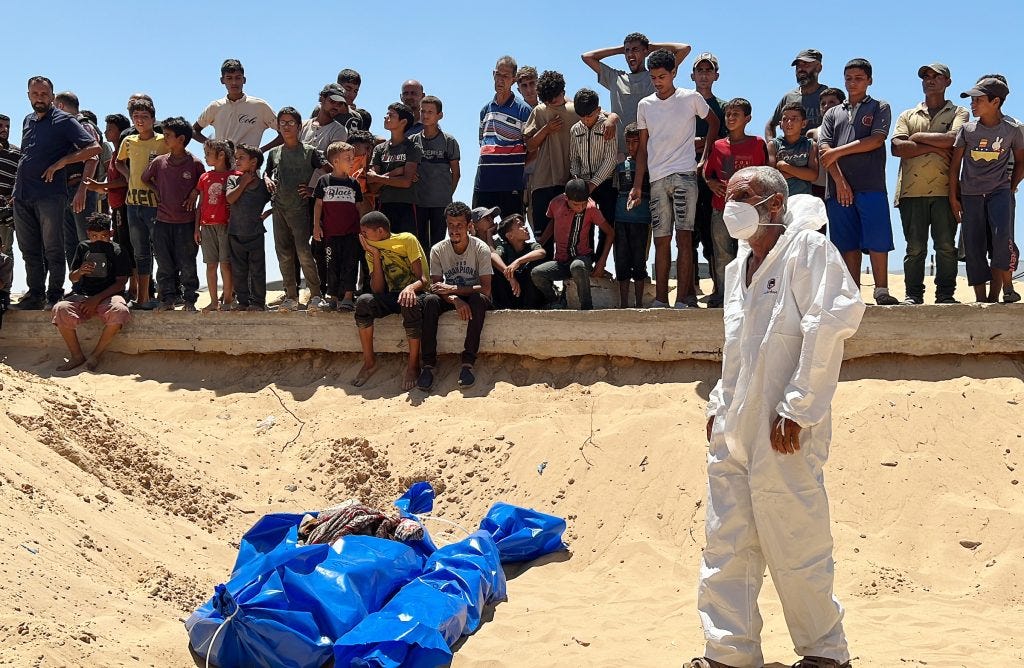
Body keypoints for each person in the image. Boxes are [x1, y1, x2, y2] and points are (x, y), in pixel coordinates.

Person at [691, 166, 864, 668]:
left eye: (742, 195)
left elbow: (832, 321)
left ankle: (825, 654)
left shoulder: (806, 251)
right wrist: (719, 406)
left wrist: (799, 407)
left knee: (796, 539)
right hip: (736, 428)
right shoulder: (735, 268)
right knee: (727, 540)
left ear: (772, 206)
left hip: (783, 426)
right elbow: (736, 351)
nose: (730, 203)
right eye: (727, 194)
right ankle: (728, 652)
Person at [629, 49, 719, 308]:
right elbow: (643, 147)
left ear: (674, 73)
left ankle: (684, 298)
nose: (657, 82)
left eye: (662, 76)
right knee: (661, 239)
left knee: (685, 237)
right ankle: (660, 299)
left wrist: (705, 156)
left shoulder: (690, 98)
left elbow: (714, 122)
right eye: (653, 77)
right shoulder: (645, 105)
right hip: (657, 178)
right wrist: (637, 185)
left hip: (685, 176)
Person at [13, 76, 101, 310]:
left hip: (50, 194)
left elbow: (93, 148)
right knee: (28, 248)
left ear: (52, 97)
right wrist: (16, 189)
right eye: (35, 94)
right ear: (28, 95)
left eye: (44, 94)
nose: (39, 98)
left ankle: (54, 294)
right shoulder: (28, 120)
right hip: (22, 194)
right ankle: (35, 294)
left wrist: (62, 162)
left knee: (53, 247)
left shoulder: (63, 120)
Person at [818, 58, 898, 305]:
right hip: (838, 188)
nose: (853, 83)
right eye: (849, 78)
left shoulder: (879, 107)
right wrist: (840, 182)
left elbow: (876, 140)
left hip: (871, 183)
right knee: (846, 242)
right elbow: (824, 150)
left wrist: (838, 151)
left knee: (878, 238)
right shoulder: (833, 112)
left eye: (859, 78)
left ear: (869, 81)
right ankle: (852, 293)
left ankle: (881, 290)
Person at [891, 63, 969, 305]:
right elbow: (897, 147)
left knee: (946, 246)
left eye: (937, 76)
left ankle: (945, 295)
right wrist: (935, 145)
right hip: (911, 192)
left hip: (947, 191)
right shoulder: (908, 115)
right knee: (914, 248)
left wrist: (916, 138)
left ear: (948, 82)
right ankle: (913, 295)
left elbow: (955, 139)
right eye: (926, 76)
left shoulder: (959, 113)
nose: (930, 80)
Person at [949, 77, 1024, 303]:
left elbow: (1022, 160)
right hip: (971, 195)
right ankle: (981, 299)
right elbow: (954, 168)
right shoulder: (967, 130)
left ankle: (1005, 289)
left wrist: (1011, 187)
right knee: (973, 245)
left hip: (999, 193)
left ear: (995, 102)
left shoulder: (1012, 129)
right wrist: (954, 198)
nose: (973, 104)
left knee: (1003, 239)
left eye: (978, 100)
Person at [417, 201, 493, 391]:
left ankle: (467, 364)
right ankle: (428, 364)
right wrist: (454, 299)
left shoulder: (480, 248)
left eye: (459, 225)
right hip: (451, 296)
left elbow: (485, 289)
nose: (454, 230)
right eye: (450, 225)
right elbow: (436, 286)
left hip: (474, 295)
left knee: (478, 300)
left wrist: (453, 290)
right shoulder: (438, 249)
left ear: (469, 226)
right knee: (430, 301)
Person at [704, 98, 769, 308]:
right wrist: (712, 183)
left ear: (747, 119)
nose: (731, 118)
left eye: (736, 115)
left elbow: (765, 175)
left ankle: (751, 296)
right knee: (723, 254)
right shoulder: (718, 145)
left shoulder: (758, 144)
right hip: (721, 208)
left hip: (751, 212)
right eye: (728, 115)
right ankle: (726, 298)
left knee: (751, 253)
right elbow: (707, 173)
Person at [581, 32, 691, 155]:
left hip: (651, 154)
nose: (630, 55)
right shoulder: (616, 78)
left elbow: (684, 49)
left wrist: (651, 47)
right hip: (620, 155)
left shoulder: (656, 77)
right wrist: (620, 50)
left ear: (645, 51)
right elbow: (587, 57)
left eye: (635, 50)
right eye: (627, 51)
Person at [352, 211, 427, 391]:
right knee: (363, 302)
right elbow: (377, 290)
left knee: (407, 302)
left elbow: (424, 280)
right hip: (392, 295)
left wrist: (409, 288)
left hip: (417, 293)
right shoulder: (371, 247)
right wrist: (375, 256)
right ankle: (369, 362)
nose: (362, 236)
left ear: (379, 231)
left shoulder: (406, 239)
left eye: (365, 232)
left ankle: (413, 365)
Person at [50, 212, 132, 372]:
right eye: (94, 236)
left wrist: (96, 300)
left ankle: (95, 356)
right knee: (60, 309)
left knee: (120, 310)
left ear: (111, 234)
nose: (99, 239)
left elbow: (121, 282)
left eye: (103, 236)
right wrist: (80, 271)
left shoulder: (118, 250)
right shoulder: (83, 247)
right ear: (88, 234)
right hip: (82, 295)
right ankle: (77, 356)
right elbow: (72, 277)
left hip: (108, 296)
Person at [264, 106, 327, 312]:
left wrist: (313, 190)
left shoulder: (310, 152)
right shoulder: (274, 153)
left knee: (303, 251)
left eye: (291, 122)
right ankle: (290, 296)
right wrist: (266, 179)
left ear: (300, 126)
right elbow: (266, 173)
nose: (286, 126)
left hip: (300, 209)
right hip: (279, 208)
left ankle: (316, 294)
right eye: (282, 123)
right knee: (283, 252)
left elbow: (330, 172)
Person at [141, 117, 205, 312]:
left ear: (181, 139)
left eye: (168, 135)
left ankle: (189, 300)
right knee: (164, 263)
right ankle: (167, 299)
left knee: (187, 263)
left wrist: (195, 192)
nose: (164, 138)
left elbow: (204, 184)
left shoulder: (194, 163)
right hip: (162, 222)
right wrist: (157, 190)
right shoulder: (160, 162)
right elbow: (145, 178)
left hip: (186, 222)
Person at [533, 178, 614, 310]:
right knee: (537, 273)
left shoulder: (591, 208)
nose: (580, 208)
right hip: (561, 261)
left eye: (583, 204)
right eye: (576, 204)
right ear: (566, 198)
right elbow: (553, 222)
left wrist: (601, 263)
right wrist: (541, 241)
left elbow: (610, 233)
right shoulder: (555, 203)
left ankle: (586, 307)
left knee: (577, 266)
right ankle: (556, 300)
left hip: (582, 258)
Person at [116, 98, 166, 309]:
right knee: (140, 252)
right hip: (133, 203)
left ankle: (166, 295)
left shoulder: (163, 141)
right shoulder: (129, 141)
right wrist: (130, 177)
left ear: (153, 119)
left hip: (156, 203)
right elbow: (119, 162)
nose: (140, 120)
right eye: (136, 117)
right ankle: (143, 298)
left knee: (162, 250)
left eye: (144, 117)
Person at [473, 55, 532, 217]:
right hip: (484, 182)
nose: (501, 80)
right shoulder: (485, 110)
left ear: (513, 79)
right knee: (479, 231)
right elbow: (482, 143)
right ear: (493, 74)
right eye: (498, 74)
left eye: (506, 76)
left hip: (511, 183)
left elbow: (533, 149)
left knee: (511, 233)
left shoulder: (523, 110)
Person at [525, 71, 577, 253]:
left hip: (569, 182)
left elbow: (603, 114)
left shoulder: (576, 109)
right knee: (542, 240)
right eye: (546, 100)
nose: (550, 104)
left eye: (553, 100)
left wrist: (612, 118)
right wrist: (546, 129)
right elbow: (530, 145)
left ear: (562, 92)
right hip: (542, 182)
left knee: (570, 238)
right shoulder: (539, 111)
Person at [691, 52, 728, 299]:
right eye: (700, 70)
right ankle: (690, 288)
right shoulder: (683, 103)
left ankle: (718, 289)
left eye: (708, 70)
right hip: (685, 175)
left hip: (713, 179)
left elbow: (727, 141)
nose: (704, 75)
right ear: (692, 75)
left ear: (716, 75)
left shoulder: (724, 108)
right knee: (687, 235)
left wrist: (705, 143)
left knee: (712, 236)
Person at [569, 87, 618, 275]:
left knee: (606, 224)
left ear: (598, 110)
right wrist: (577, 180)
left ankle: (601, 264)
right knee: (583, 224)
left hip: (605, 183)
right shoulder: (575, 130)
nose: (585, 120)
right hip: (582, 184)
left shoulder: (607, 126)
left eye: (589, 116)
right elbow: (573, 158)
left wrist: (593, 184)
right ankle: (585, 263)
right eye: (581, 116)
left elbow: (610, 159)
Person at [84, 114, 134, 297]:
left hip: (125, 206)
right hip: (116, 207)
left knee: (128, 249)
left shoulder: (125, 153)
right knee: (122, 248)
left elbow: (124, 180)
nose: (106, 132)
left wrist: (100, 186)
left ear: (120, 131)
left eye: (110, 128)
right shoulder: (114, 154)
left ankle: (135, 289)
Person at [53, 92, 102, 267]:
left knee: (86, 240)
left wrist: (82, 190)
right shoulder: (68, 128)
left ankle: (92, 285)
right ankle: (78, 284)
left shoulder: (84, 126)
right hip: (67, 192)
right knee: (71, 242)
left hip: (80, 192)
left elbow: (93, 158)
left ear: (59, 106)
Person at [312, 141, 362, 311]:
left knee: (350, 264)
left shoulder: (354, 183)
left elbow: (358, 207)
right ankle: (332, 297)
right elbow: (318, 205)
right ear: (335, 162)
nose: (351, 161)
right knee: (331, 265)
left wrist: (362, 229)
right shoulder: (324, 181)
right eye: (347, 158)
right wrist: (316, 227)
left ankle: (348, 296)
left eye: (352, 158)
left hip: (351, 233)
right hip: (331, 233)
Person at [193, 59, 278, 152]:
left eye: (238, 78)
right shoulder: (215, 107)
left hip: (249, 165)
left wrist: (259, 152)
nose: (234, 82)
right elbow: (193, 131)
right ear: (222, 80)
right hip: (223, 164)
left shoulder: (260, 106)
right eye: (229, 78)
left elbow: (285, 133)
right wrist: (213, 145)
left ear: (244, 80)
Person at [411, 95, 460, 253]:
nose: (425, 115)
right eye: (422, 111)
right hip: (418, 202)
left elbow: (456, 173)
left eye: (430, 112)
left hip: (440, 203)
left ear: (440, 115)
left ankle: (436, 277)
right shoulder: (413, 141)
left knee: (438, 245)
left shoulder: (449, 141)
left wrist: (446, 195)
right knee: (420, 243)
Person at [226, 144, 271, 311]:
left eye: (241, 158)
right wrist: (243, 183)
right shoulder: (233, 180)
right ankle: (243, 302)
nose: (236, 160)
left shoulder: (263, 186)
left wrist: (268, 212)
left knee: (257, 270)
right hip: (235, 232)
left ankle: (258, 302)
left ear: (253, 162)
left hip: (255, 233)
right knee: (239, 270)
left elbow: (277, 201)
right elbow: (230, 199)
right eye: (236, 157)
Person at [366, 102, 422, 236]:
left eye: (391, 115)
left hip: (407, 205)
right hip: (384, 204)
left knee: (405, 248)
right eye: (387, 114)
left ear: (403, 122)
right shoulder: (379, 149)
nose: (386, 117)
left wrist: (379, 178)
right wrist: (396, 172)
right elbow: (372, 185)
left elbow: (406, 182)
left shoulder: (412, 148)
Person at [614, 123, 652, 308]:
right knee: (621, 261)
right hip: (621, 219)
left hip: (642, 220)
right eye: (628, 142)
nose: (631, 146)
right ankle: (623, 305)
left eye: (635, 142)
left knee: (639, 262)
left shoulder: (651, 165)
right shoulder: (621, 165)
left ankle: (638, 304)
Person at [195, 138, 235, 312]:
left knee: (226, 264)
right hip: (207, 226)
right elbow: (200, 204)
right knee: (211, 264)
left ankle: (227, 300)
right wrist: (196, 228)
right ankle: (213, 301)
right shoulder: (205, 177)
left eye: (208, 154)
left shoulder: (234, 176)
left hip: (226, 225)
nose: (205, 157)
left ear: (221, 155)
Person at [765, 49, 829, 140]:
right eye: (798, 65)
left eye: (806, 64)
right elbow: (770, 125)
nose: (801, 69)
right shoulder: (789, 97)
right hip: (792, 153)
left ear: (819, 68)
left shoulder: (829, 97)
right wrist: (772, 147)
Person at [490, 212, 546, 309]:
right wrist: (509, 275)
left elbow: (541, 252)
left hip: (530, 296)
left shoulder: (531, 246)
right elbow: (493, 256)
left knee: (534, 267)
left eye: (523, 225)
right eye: (520, 225)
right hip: (512, 294)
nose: (525, 227)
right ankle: (502, 306)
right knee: (496, 271)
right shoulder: (504, 247)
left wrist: (518, 261)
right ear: (510, 236)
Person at [768, 102, 819, 198]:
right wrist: (801, 173)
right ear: (780, 124)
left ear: (803, 123)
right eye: (785, 119)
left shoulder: (810, 145)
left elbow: (813, 175)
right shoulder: (773, 145)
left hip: (803, 199)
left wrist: (786, 167)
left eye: (794, 119)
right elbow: (772, 176)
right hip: (780, 199)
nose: (789, 122)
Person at [300, 84, 350, 152]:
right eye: (332, 101)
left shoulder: (339, 131)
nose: (336, 106)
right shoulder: (302, 125)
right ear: (322, 98)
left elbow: (333, 158)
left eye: (340, 104)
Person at [0, 113, 23, 257]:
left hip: (5, 210)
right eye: (1, 126)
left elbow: (19, 180)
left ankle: (6, 281)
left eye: (7, 126)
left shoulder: (16, 153)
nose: (5, 129)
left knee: (5, 250)